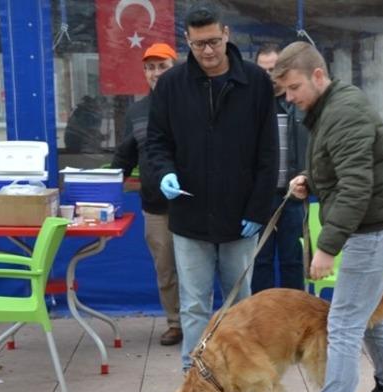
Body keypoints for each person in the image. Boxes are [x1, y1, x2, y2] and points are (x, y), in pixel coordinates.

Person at [268, 41, 383, 392]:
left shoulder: (343, 111)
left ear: (317, 75)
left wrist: (327, 247)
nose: (290, 99)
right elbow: (344, 167)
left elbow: (356, 186)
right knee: (366, 318)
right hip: (378, 230)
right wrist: (311, 179)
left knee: (344, 326)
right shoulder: (330, 108)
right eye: (285, 92)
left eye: (294, 88)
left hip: (373, 234)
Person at [146, 1, 277, 372]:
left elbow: (268, 153)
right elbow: (157, 142)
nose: (207, 51)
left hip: (241, 216)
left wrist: (258, 209)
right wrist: (164, 173)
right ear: (186, 40)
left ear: (227, 35)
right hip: (189, 214)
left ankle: (239, 370)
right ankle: (195, 372)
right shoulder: (171, 84)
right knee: (194, 304)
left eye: (214, 42)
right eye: (199, 43)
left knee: (241, 301)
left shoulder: (255, 83)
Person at [110, 43, 182, 346]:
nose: (155, 73)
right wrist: (105, 188)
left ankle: (203, 324)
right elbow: (125, 156)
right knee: (165, 269)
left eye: (161, 66)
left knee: (199, 270)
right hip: (155, 208)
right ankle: (175, 323)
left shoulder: (191, 104)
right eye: (150, 67)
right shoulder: (137, 112)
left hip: (194, 204)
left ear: (175, 67)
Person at [251, 43, 308, 293]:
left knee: (292, 261)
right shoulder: (249, 105)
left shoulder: (297, 103)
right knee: (259, 261)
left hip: (291, 197)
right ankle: (263, 320)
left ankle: (294, 319)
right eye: (262, 70)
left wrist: (306, 179)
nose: (268, 76)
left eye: (273, 69)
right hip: (260, 197)